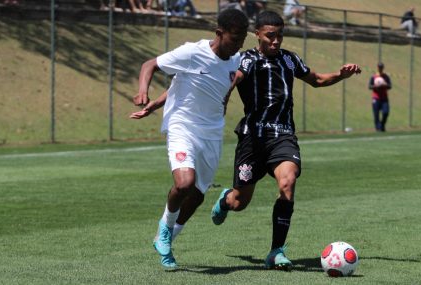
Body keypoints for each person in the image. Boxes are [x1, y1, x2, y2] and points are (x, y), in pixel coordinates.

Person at [210, 11, 361, 270]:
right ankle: (225, 199)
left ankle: (276, 251)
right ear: (257, 34)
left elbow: (316, 80)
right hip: (252, 139)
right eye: (270, 36)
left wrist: (340, 74)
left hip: (283, 135)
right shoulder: (246, 59)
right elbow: (236, 78)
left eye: (280, 35)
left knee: (287, 183)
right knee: (239, 202)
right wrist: (224, 97)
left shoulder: (290, 60)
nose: (276, 41)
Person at [130, 8, 249, 269]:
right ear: (219, 33)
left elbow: (182, 86)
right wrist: (143, 93)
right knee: (185, 184)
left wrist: (155, 104)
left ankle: (168, 238)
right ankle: (164, 228)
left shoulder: (236, 59)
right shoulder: (192, 52)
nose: (238, 46)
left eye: (242, 41)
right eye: (234, 39)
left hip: (212, 133)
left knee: (197, 196)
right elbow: (149, 65)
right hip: (182, 126)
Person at [368, 62, 392, 132]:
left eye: (381, 67)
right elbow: (370, 86)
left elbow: (390, 86)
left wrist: (385, 85)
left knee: (386, 112)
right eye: (379, 67)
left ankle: (382, 125)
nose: (380, 68)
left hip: (384, 98)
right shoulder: (374, 76)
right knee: (376, 114)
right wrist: (376, 86)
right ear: (377, 67)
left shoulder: (385, 76)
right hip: (376, 98)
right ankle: (378, 128)